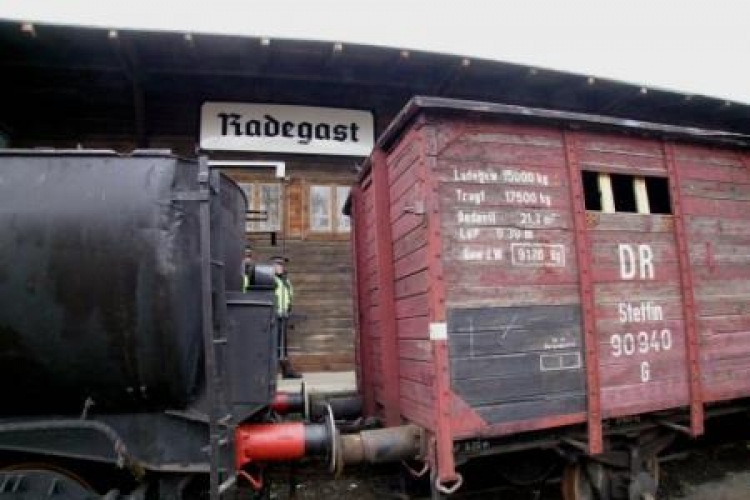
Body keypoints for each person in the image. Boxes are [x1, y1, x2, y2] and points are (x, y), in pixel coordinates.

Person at [272, 256, 301, 379]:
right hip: (273, 316)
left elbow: (289, 297)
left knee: (282, 344)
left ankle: (286, 371)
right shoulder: (270, 279)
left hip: (284, 316)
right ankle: (272, 372)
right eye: (278, 264)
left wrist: (288, 310)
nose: (280, 267)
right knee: (274, 344)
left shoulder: (286, 281)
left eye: (282, 265)